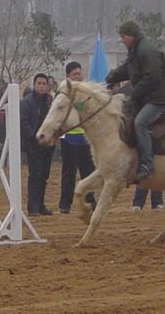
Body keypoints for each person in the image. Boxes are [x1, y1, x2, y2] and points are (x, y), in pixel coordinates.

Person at [105, 20, 165, 184]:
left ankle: (148, 165)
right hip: (146, 97)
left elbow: (152, 77)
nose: (122, 40)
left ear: (131, 35)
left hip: (157, 98)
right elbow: (128, 69)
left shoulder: (146, 50)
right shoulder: (135, 50)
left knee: (140, 123)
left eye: (123, 36)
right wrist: (113, 76)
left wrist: (134, 94)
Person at [58, 61, 97, 214]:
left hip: (85, 138)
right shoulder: (63, 93)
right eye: (75, 74)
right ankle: (65, 204)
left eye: (79, 74)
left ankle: (90, 200)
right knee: (69, 172)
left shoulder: (84, 92)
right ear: (68, 76)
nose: (78, 77)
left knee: (88, 171)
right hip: (69, 138)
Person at [20, 73, 55, 216]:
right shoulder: (26, 102)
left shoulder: (49, 101)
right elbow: (24, 124)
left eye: (44, 84)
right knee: (35, 175)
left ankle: (41, 206)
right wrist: (35, 138)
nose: (41, 86)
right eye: (39, 83)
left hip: (48, 144)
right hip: (33, 145)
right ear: (34, 85)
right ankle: (32, 207)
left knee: (44, 176)